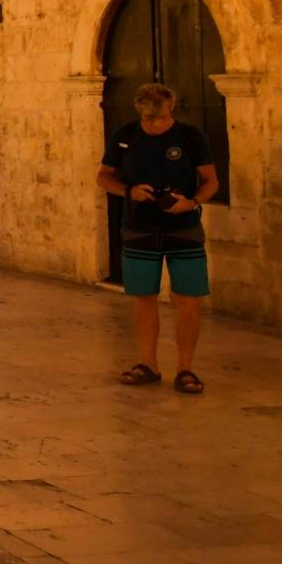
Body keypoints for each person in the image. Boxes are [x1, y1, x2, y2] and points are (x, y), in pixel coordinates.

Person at [99, 83, 217, 394]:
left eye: (160, 118)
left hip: (184, 228)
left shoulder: (192, 138)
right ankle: (148, 364)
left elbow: (210, 181)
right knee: (144, 297)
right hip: (140, 228)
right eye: (149, 119)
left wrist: (190, 203)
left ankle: (186, 368)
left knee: (188, 299)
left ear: (171, 110)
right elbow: (103, 176)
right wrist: (130, 191)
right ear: (140, 112)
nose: (155, 125)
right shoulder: (124, 136)